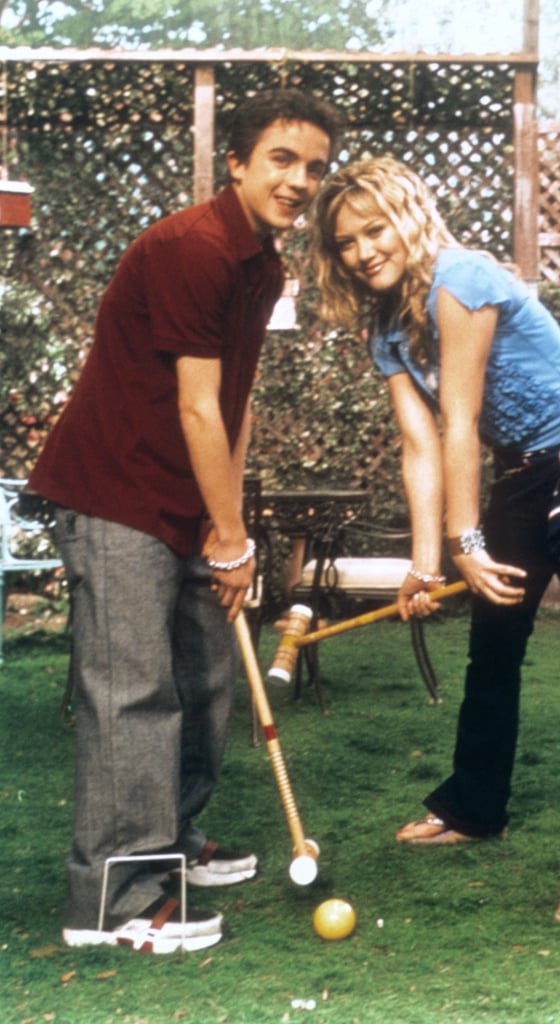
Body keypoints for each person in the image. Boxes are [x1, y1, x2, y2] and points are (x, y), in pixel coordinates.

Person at [28, 88, 342, 953]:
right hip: (116, 492)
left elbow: (231, 412)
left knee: (204, 675)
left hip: (183, 499)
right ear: (236, 162)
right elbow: (196, 408)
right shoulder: (194, 249)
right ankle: (112, 901)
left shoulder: (263, 264)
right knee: (131, 693)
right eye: (281, 159)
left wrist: (223, 525)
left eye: (314, 167)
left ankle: (171, 844)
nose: (299, 180)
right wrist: (235, 539)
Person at [312, 155, 560, 926]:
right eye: (345, 242)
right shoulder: (386, 330)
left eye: (374, 229)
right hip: (523, 471)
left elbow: (458, 419)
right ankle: (474, 805)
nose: (364, 250)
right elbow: (420, 446)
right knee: (493, 643)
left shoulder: (459, 278)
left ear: (408, 214)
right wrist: (427, 565)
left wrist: (465, 536)